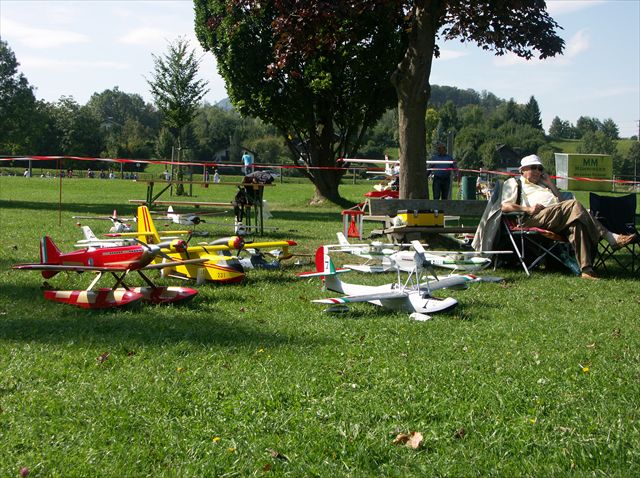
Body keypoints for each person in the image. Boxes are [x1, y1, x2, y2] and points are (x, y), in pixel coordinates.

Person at [501, 154, 637, 279]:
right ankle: (610, 237)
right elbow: (504, 206)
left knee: (577, 224)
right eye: (533, 167)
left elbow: (561, 203)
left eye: (540, 168)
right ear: (523, 170)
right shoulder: (514, 183)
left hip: (555, 217)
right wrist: (528, 209)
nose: (537, 171)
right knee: (574, 205)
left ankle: (586, 270)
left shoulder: (543, 185)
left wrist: (549, 183)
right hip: (532, 218)